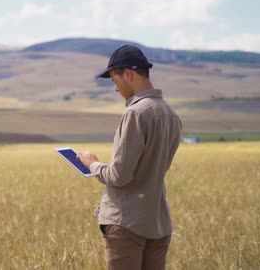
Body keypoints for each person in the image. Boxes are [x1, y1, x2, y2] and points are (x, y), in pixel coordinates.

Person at [76, 44, 182, 270]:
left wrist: (92, 164)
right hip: (158, 223)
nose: (116, 89)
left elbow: (119, 175)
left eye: (115, 81)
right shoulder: (171, 114)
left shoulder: (135, 112)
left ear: (128, 74)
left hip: (126, 224)